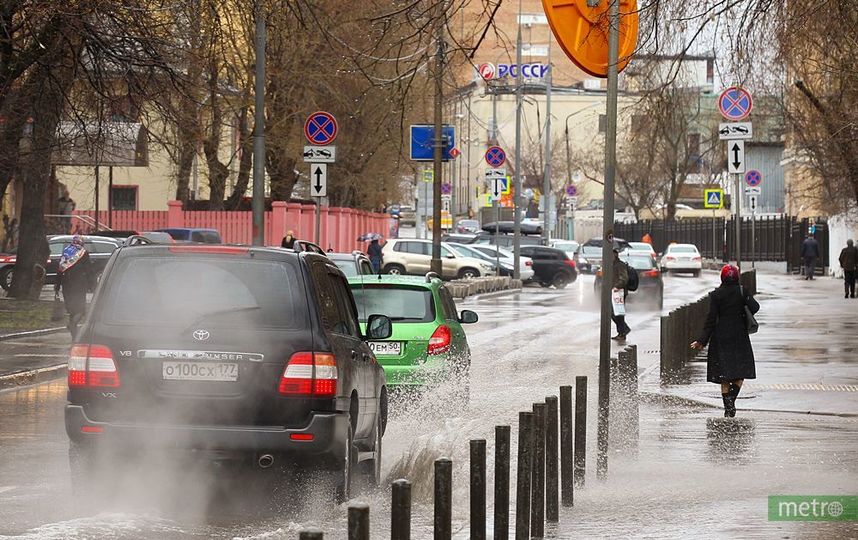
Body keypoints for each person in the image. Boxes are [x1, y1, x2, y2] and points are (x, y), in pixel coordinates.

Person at [690, 264, 760, 417]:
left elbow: (711, 320)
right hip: (739, 336)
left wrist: (701, 341)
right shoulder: (742, 291)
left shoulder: (716, 295)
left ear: (722, 277)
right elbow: (755, 307)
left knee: (724, 375)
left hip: (720, 336)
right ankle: (731, 403)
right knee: (739, 373)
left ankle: (728, 407)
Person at [55, 235, 93, 339]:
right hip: (79, 285)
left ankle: (74, 336)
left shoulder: (66, 251)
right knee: (81, 310)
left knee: (72, 310)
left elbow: (60, 269)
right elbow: (88, 269)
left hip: (66, 285)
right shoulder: (83, 253)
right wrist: (92, 285)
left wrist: (57, 286)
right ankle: (73, 325)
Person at [610, 248, 631, 340]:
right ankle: (622, 331)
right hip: (613, 292)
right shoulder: (610, 265)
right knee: (613, 313)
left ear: (615, 255)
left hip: (619, 292)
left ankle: (623, 332)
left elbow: (624, 278)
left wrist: (617, 286)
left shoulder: (620, 265)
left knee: (617, 313)